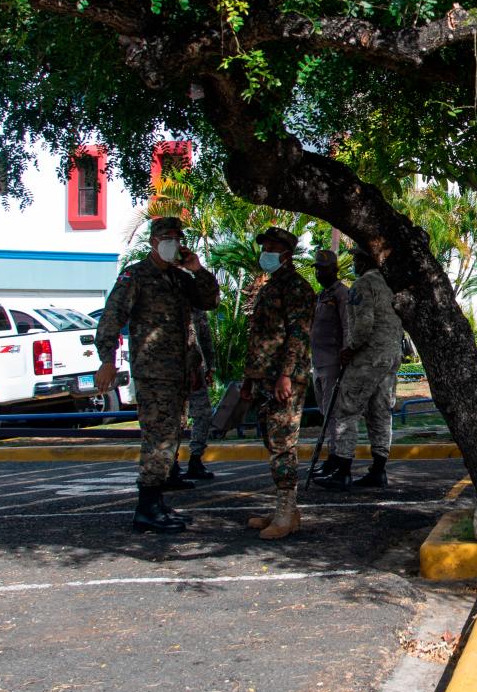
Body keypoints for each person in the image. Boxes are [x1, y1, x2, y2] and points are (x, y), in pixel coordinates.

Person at [94, 217, 221, 533]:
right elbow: (111, 317)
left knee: (170, 438)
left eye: (178, 238)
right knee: (158, 439)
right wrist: (107, 360)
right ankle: (146, 507)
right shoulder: (135, 276)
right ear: (152, 242)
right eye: (167, 238)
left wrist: (197, 269)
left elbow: (210, 300)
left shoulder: (179, 279)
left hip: (178, 374)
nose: (173, 243)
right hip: (153, 374)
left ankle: (156, 502)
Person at [242, 225, 317, 539]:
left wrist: (285, 374)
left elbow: (298, 336)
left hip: (284, 378)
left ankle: (287, 512)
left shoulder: (297, 288)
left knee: (283, 443)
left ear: (286, 253)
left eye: (271, 247)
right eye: (265, 246)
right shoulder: (271, 286)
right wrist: (249, 378)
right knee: (272, 441)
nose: (266, 252)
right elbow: (259, 337)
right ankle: (284, 510)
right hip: (264, 377)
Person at [316, 244, 399, 490]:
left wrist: (350, 349)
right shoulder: (389, 285)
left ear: (363, 262)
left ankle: (342, 469)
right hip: (390, 356)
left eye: (356, 260)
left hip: (369, 357)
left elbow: (363, 325)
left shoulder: (363, 284)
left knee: (346, 409)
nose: (353, 265)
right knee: (380, 412)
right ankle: (378, 468)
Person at [309, 247, 352, 458]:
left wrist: (345, 354)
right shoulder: (320, 296)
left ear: (334, 269)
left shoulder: (341, 294)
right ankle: (331, 454)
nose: (319, 274)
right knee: (325, 412)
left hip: (333, 362)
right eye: (317, 270)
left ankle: (336, 457)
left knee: (333, 414)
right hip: (317, 362)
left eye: (324, 269)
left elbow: (347, 325)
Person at [178, 304, 219, 481]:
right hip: (173, 370)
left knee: (203, 413)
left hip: (196, 369)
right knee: (176, 418)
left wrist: (210, 366)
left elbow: (204, 336)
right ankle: (170, 463)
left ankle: (195, 458)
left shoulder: (196, 308)